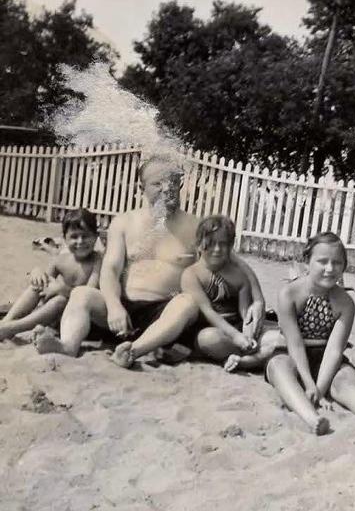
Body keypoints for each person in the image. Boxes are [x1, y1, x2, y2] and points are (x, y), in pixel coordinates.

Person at [33, 153, 265, 366]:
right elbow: (110, 270)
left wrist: (258, 301)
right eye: (158, 184)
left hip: (166, 316)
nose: (167, 189)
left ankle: (132, 351)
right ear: (140, 187)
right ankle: (67, 346)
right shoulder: (123, 223)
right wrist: (114, 306)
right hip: (123, 309)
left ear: (181, 185)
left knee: (188, 302)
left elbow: (236, 263)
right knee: (81, 294)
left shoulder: (196, 227)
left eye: (173, 182)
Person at [261, 232, 355, 439]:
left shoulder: (345, 302)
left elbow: (335, 349)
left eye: (337, 263)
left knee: (347, 382)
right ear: (307, 262)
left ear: (344, 266)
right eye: (322, 261)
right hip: (291, 352)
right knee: (278, 369)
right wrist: (309, 384)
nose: (330, 269)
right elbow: (295, 344)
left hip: (326, 357)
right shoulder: (289, 294)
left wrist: (319, 389)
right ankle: (311, 418)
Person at [0, 208, 101, 341]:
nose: (80, 241)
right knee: (37, 285)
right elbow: (45, 285)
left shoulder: (97, 261)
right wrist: (37, 272)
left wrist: (62, 289)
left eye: (85, 236)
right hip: (52, 317)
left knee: (60, 300)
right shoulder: (61, 259)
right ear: (64, 239)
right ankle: (6, 321)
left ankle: (13, 328)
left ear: (95, 237)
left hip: (79, 320)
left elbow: (89, 294)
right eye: (74, 236)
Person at [181, 215, 258, 358]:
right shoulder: (191, 274)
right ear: (198, 244)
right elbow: (207, 311)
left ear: (231, 245)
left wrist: (248, 335)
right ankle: (249, 357)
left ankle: (244, 353)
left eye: (223, 244)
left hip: (235, 328)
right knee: (208, 339)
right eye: (210, 243)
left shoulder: (239, 276)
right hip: (207, 329)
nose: (216, 249)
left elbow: (245, 314)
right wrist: (236, 337)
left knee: (274, 337)